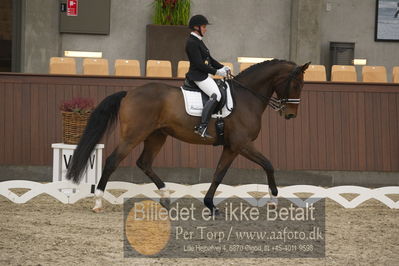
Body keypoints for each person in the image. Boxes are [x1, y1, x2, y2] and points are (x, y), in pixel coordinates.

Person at [185, 14, 230, 139]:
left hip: (203, 74)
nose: (206, 29)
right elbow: (199, 64)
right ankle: (202, 126)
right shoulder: (191, 42)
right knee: (216, 95)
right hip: (197, 76)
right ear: (196, 27)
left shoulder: (198, 41)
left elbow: (209, 59)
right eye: (204, 26)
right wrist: (217, 72)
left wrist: (222, 67)